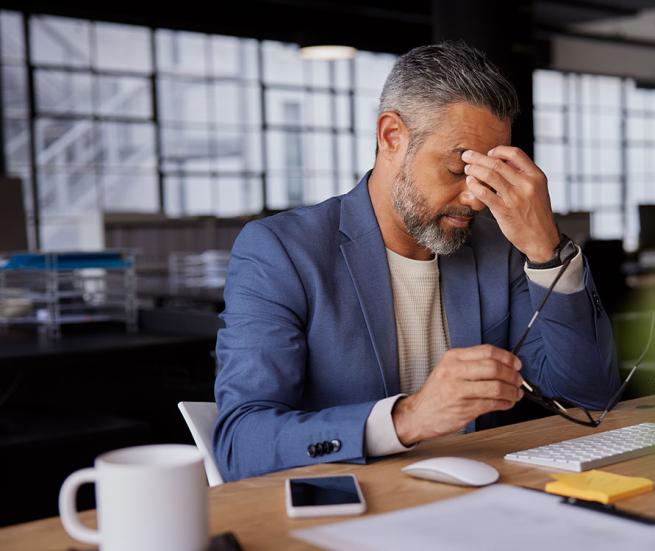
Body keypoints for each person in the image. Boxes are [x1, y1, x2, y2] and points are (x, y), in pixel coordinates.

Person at [214, 42, 619, 481]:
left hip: (480, 504)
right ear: (392, 136)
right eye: (456, 169)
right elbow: (240, 443)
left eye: (487, 175)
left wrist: (546, 250)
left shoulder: (497, 246)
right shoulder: (281, 251)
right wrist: (407, 419)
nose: (474, 197)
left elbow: (590, 394)